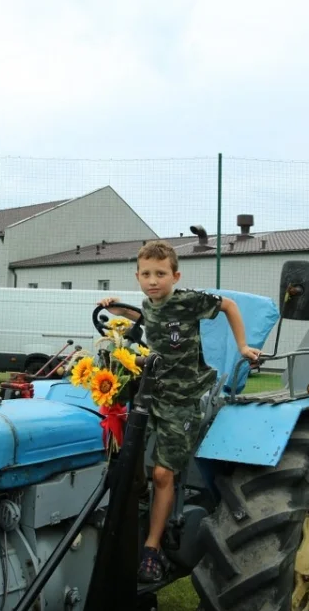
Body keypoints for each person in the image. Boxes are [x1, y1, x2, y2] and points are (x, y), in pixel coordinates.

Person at [98, 240, 261, 583]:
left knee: (163, 475)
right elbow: (144, 316)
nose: (153, 280)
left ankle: (153, 547)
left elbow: (228, 305)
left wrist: (243, 346)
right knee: (122, 454)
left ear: (175, 275)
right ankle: (139, 498)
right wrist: (117, 310)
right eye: (146, 274)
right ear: (137, 276)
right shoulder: (147, 303)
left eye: (160, 274)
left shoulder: (188, 301)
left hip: (183, 398)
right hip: (150, 392)